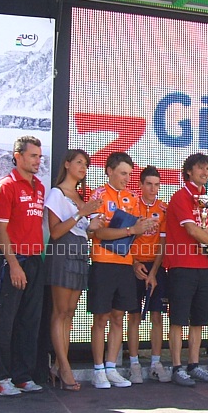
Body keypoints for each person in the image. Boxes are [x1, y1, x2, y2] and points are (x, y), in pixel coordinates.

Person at [87, 152, 157, 389]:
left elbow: (134, 237)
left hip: (125, 265)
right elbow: (99, 233)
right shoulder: (99, 195)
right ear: (109, 171)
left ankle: (111, 367)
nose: (126, 178)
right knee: (101, 318)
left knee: (118, 317)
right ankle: (98, 370)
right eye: (122, 173)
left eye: (129, 174)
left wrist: (137, 257)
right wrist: (131, 230)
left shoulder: (133, 199)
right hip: (103, 263)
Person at [0, 135, 46, 396]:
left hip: (35, 260)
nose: (37, 160)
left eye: (39, 156)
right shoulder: (6, 186)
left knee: (30, 321)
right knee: (6, 322)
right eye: (33, 155)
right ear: (18, 156)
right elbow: (0, 231)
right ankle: (1, 379)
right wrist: (13, 265)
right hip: (12, 261)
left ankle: (23, 376)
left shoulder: (40, 187)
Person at [163, 153, 208, 386]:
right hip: (181, 265)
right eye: (200, 168)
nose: (204, 173)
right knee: (178, 320)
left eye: (207, 169)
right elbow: (191, 229)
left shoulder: (205, 200)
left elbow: (206, 229)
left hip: (203, 265)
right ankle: (177, 367)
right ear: (188, 171)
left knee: (199, 320)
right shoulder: (180, 197)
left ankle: (194, 364)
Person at [45, 149, 102, 391]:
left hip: (80, 251)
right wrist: (82, 213)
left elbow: (84, 230)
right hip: (63, 251)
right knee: (60, 312)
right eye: (79, 163)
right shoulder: (57, 193)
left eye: (86, 165)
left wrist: (93, 225)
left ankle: (60, 363)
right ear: (67, 164)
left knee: (70, 313)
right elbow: (56, 232)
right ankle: (64, 368)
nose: (83, 168)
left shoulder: (81, 196)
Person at [126, 166, 172, 384]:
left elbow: (163, 243)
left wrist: (154, 272)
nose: (153, 189)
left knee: (156, 316)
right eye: (149, 184)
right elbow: (124, 238)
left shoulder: (163, 208)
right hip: (132, 266)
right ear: (141, 185)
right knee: (133, 316)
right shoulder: (132, 205)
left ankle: (155, 362)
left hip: (155, 268)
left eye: (156, 185)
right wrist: (134, 263)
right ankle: (134, 363)